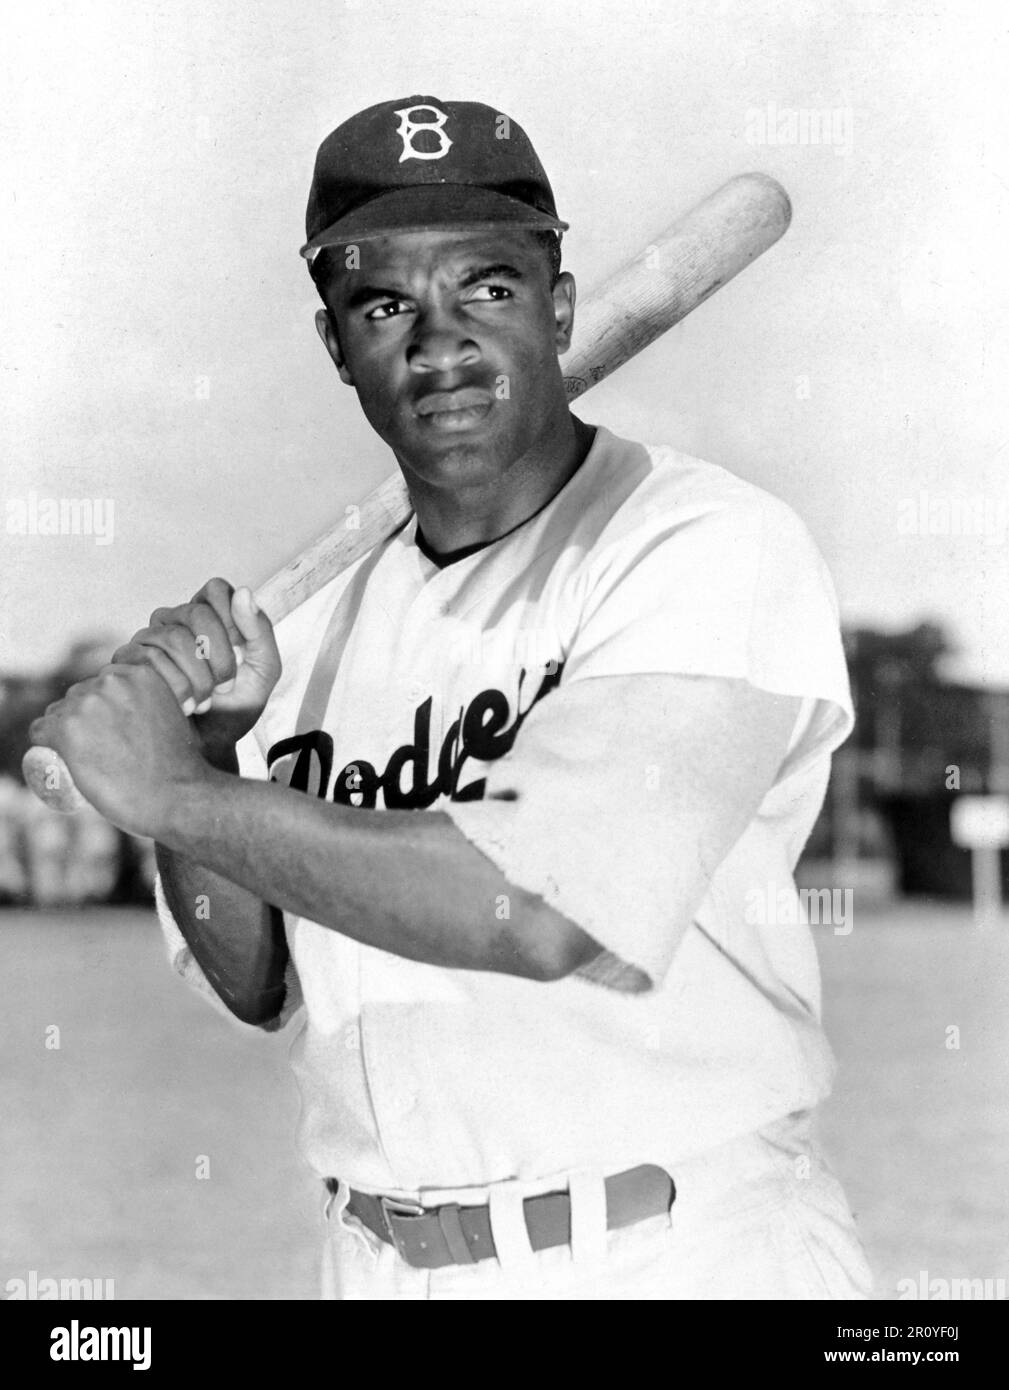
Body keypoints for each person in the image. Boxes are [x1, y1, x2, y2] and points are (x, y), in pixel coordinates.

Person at [30, 96, 873, 1300]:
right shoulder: (305, 632)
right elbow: (257, 980)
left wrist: (166, 791)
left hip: (674, 1251)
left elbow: (537, 910)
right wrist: (207, 758)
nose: (440, 347)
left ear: (561, 306)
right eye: (385, 306)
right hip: (376, 1260)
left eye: (486, 288)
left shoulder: (701, 548)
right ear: (336, 345)